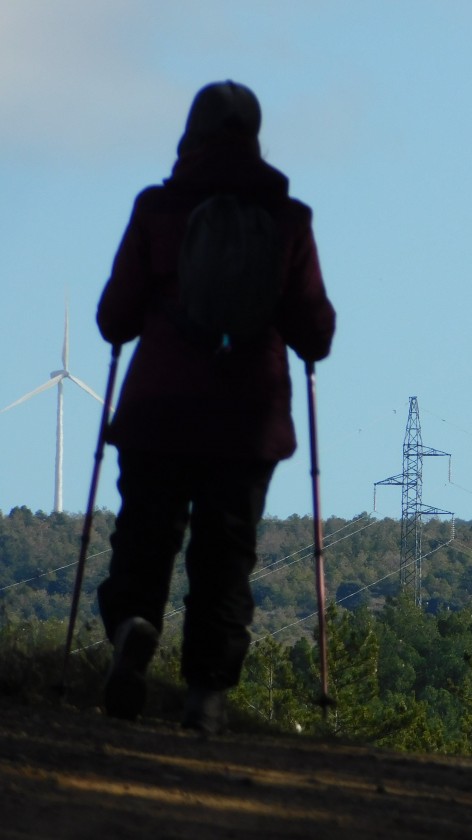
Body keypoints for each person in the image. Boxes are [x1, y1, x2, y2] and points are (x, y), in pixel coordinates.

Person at [95, 81, 336, 734]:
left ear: (190, 134)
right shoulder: (290, 221)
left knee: (145, 539)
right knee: (226, 557)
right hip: (247, 419)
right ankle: (207, 692)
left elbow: (114, 319)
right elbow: (315, 333)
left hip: (158, 412)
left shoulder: (157, 209)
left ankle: (133, 628)